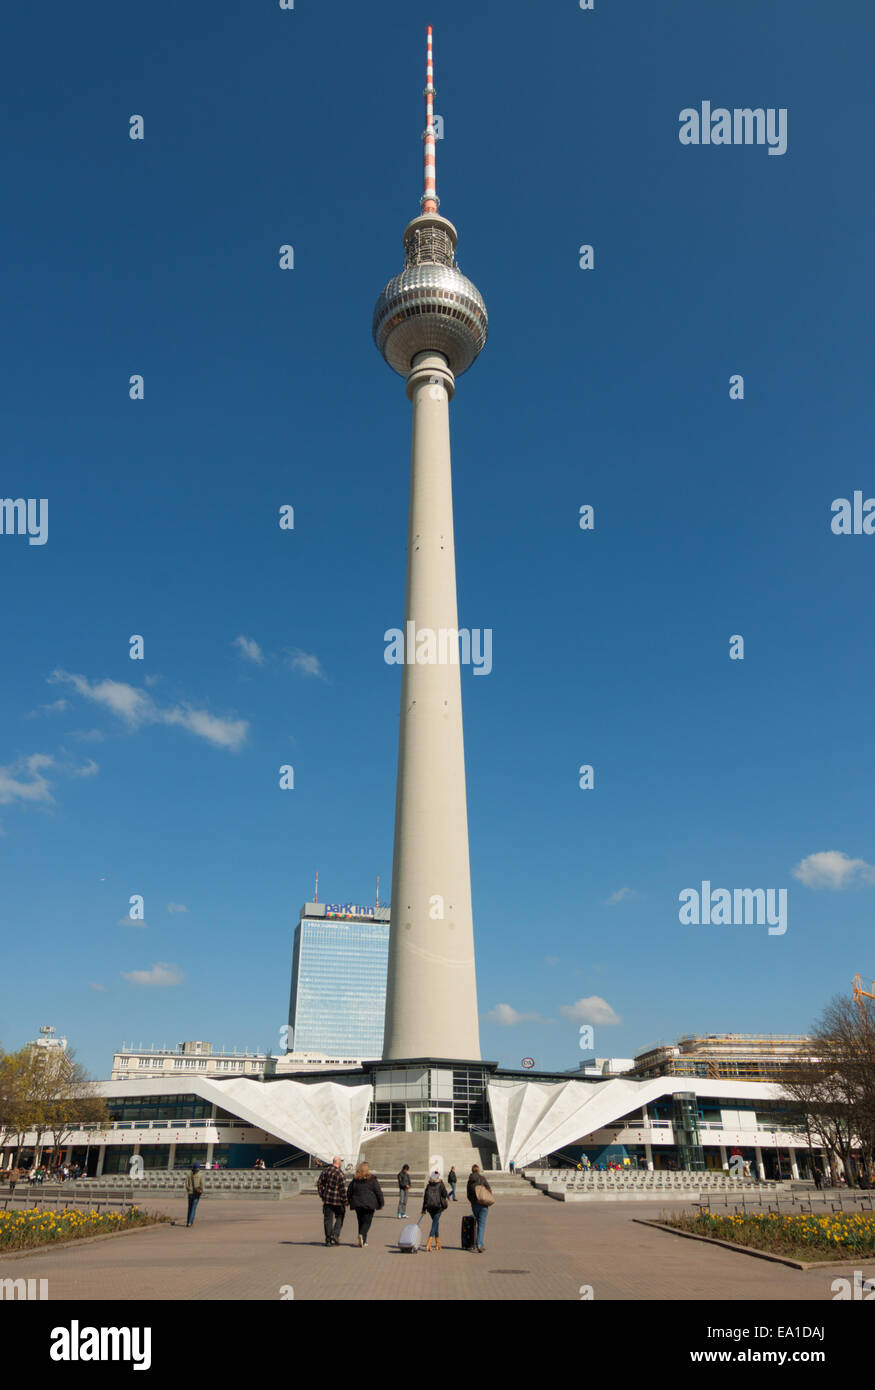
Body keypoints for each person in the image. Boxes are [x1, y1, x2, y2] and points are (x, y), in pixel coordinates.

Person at [347, 1161, 384, 1247]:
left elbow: (349, 1191)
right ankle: (361, 1235)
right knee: (367, 1222)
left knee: (361, 1221)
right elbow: (378, 1192)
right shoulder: (372, 1179)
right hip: (369, 1204)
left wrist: (349, 1200)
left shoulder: (355, 1180)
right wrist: (381, 1202)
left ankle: (363, 1241)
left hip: (358, 1204)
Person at [317, 1156, 348, 1246]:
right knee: (340, 1216)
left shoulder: (325, 1171)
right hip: (337, 1200)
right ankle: (335, 1234)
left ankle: (328, 1240)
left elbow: (319, 1184)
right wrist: (345, 1201)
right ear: (338, 1163)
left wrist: (322, 1194)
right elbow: (342, 1190)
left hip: (327, 1199)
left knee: (328, 1219)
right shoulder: (340, 1174)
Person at [467, 1164, 493, 1253]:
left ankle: (479, 1243)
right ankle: (479, 1244)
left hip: (474, 1205)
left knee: (478, 1224)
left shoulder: (470, 1181)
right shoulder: (482, 1178)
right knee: (481, 1225)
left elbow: (468, 1195)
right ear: (478, 1170)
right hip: (483, 1204)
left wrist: (472, 1202)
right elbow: (489, 1189)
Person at [422, 1169, 449, 1252]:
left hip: (430, 1208)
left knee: (436, 1223)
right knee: (434, 1225)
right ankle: (428, 1244)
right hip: (438, 1208)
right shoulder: (440, 1184)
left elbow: (425, 1197)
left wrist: (423, 1209)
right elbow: (445, 1194)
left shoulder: (428, 1185)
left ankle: (438, 1244)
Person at [185, 1162, 204, 1227]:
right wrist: (201, 1191)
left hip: (190, 1193)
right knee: (193, 1208)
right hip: (196, 1193)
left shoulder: (189, 1174)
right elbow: (202, 1184)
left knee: (189, 1208)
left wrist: (189, 1190)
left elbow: (186, 1184)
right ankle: (190, 1222)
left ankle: (188, 1222)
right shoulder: (200, 1174)